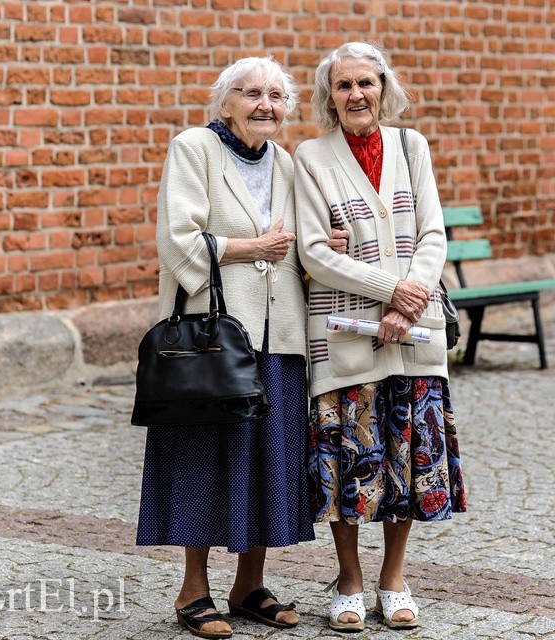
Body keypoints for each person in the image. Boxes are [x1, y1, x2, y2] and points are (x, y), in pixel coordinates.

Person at [136, 55, 347, 639]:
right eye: (252, 94)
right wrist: (251, 247)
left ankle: (250, 584)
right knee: (202, 453)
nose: (266, 106)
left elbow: (292, 245)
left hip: (279, 337)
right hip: (214, 336)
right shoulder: (193, 149)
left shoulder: (285, 162)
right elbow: (176, 241)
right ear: (224, 103)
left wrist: (321, 245)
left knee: (268, 459)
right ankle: (194, 591)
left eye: (277, 96)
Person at [294, 42, 468, 632]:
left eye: (365, 83)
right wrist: (392, 290)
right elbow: (315, 253)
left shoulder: (410, 145)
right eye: (343, 86)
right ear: (329, 96)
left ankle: (393, 579)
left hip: (414, 331)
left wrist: (411, 296)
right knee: (346, 461)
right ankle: (348, 581)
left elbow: (432, 232)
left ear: (383, 87)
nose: (356, 95)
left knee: (407, 459)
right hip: (344, 335)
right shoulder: (310, 156)